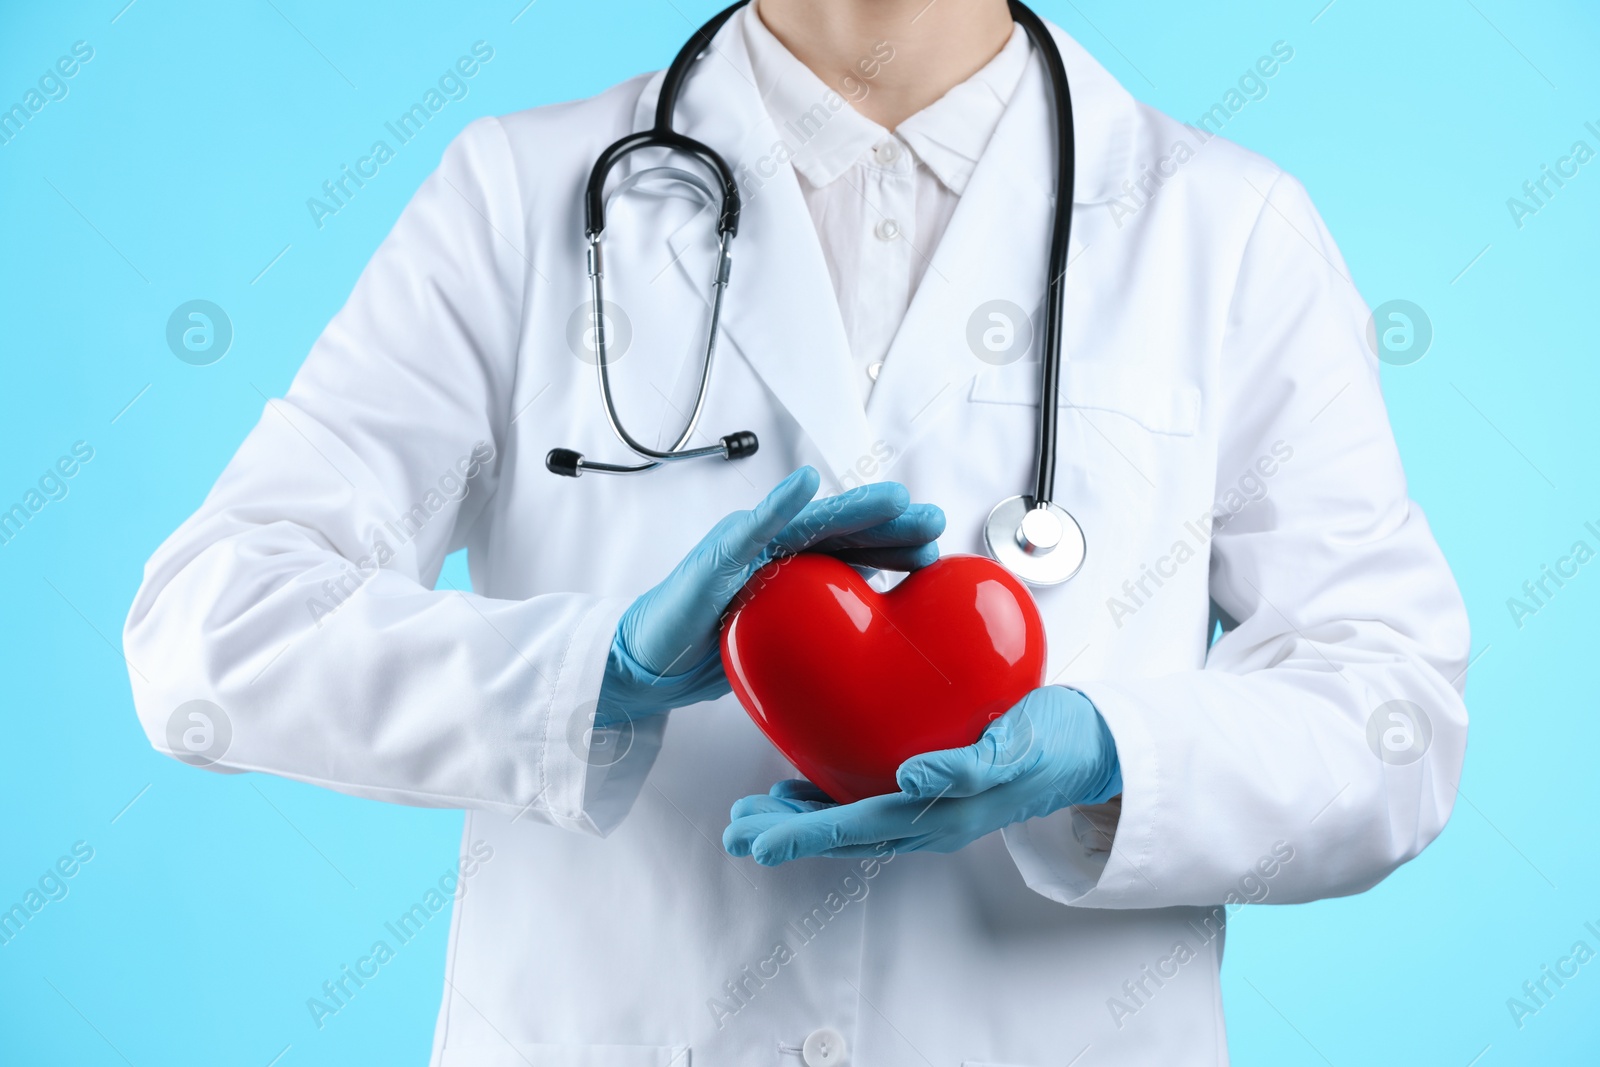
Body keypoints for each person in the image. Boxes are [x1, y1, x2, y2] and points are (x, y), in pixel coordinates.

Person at [125, 0, 1470, 1063]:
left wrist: (1114, 758)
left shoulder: (1222, 229)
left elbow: (1392, 708)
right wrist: (591, 677)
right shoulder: (520, 199)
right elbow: (208, 629)